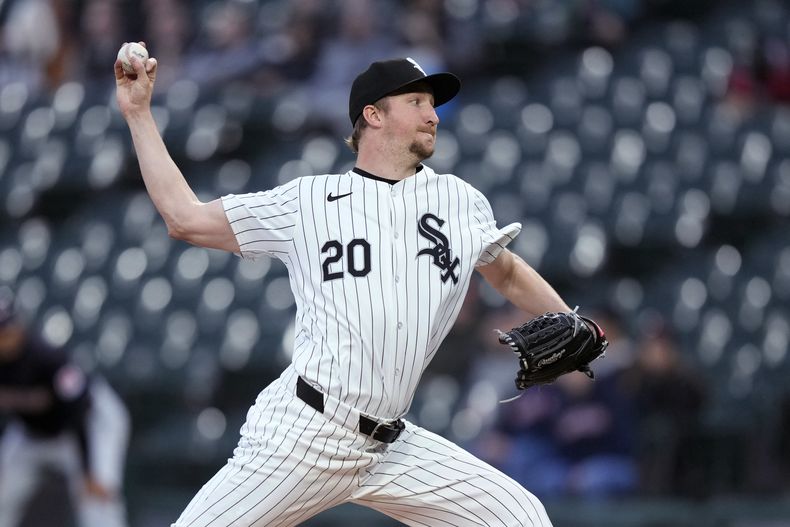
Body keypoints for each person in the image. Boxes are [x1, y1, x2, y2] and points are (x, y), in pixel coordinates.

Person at [116, 44, 584, 526]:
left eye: (433, 105)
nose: (434, 116)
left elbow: (503, 269)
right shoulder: (309, 202)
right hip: (305, 432)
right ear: (373, 115)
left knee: (521, 517)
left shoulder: (458, 201)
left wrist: (570, 320)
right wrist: (138, 114)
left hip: (391, 447)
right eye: (417, 102)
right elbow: (184, 219)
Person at [0, 288, 130, 527]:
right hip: (30, 432)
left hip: (89, 424)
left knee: (97, 498)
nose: (4, 336)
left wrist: (89, 471)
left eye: (7, 329)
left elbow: (78, 411)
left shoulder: (47, 358)